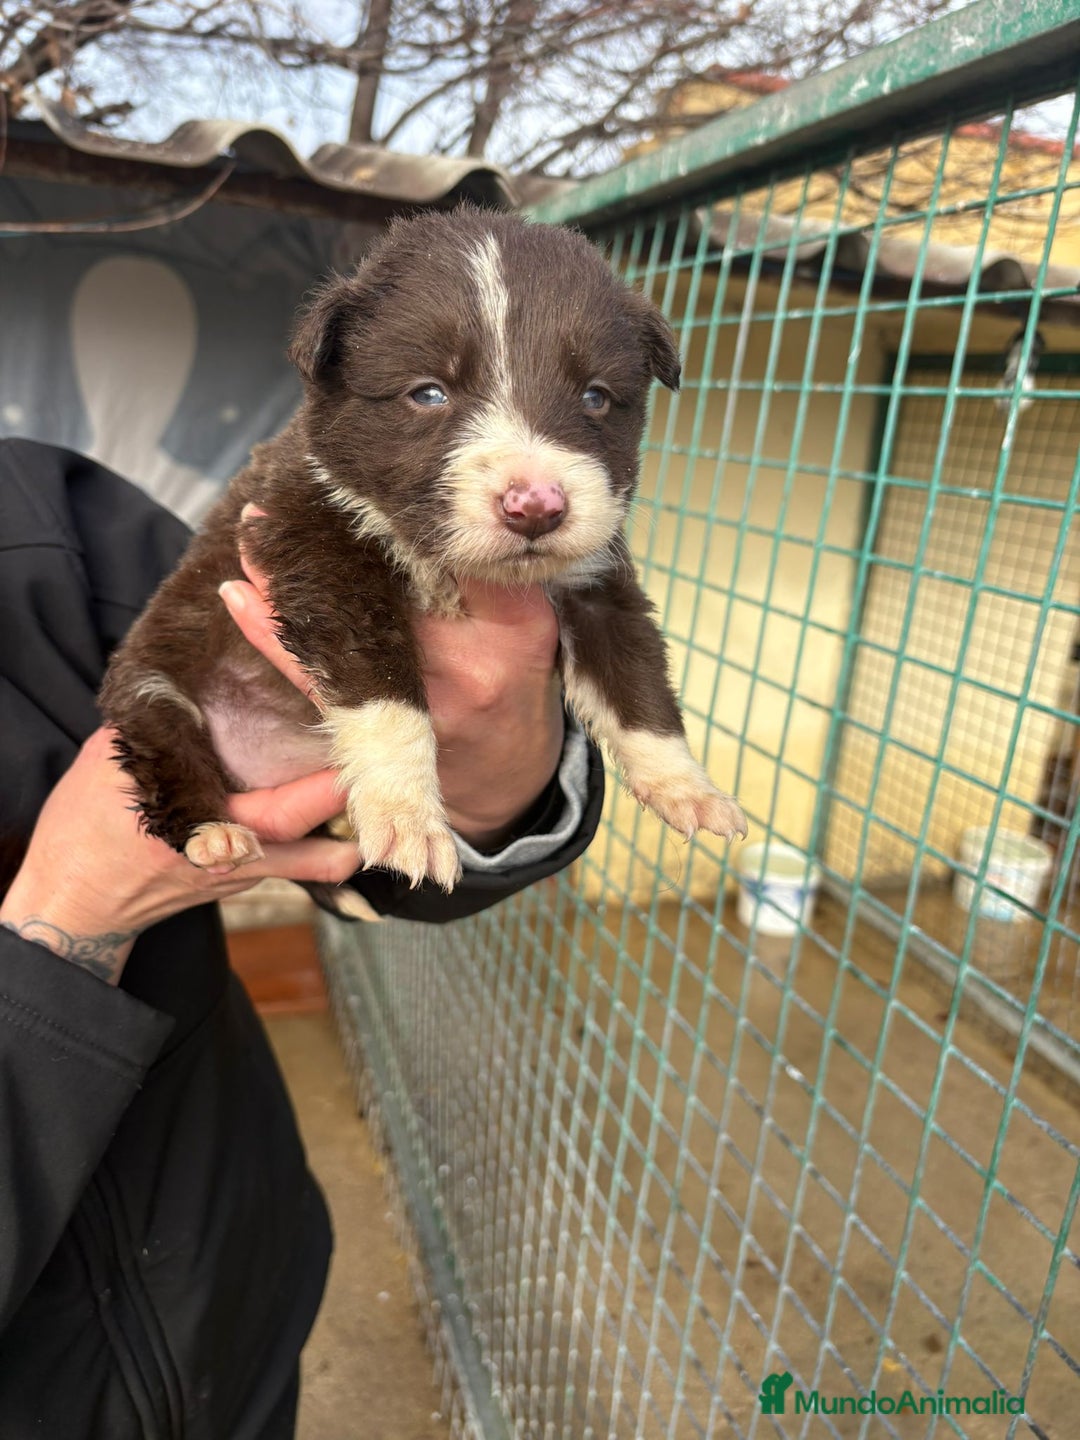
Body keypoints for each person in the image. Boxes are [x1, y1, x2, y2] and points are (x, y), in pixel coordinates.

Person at [0, 438, 604, 1438]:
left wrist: (492, 782)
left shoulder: (34, 520)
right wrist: (78, 909)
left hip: (233, 1295)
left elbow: (365, 804)